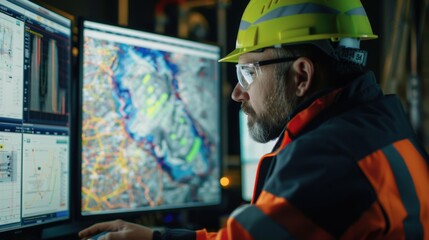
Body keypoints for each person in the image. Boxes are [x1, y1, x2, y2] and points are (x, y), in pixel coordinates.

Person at [79, 0, 429, 239]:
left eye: (248, 72)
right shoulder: (379, 123)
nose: (237, 93)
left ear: (301, 76)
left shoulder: (328, 161)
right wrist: (158, 237)